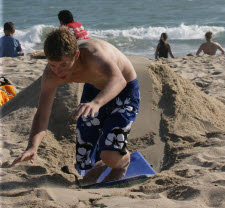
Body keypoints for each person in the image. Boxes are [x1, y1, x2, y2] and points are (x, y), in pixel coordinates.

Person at [10, 27, 140, 187]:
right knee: (84, 156)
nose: (58, 71)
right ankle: (103, 163)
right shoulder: (51, 74)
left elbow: (119, 80)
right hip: (94, 90)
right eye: (53, 65)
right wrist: (32, 146)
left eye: (63, 64)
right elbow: (43, 114)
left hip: (124, 88)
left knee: (110, 153)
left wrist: (96, 103)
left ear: (76, 55)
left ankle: (122, 162)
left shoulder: (94, 56)